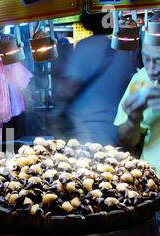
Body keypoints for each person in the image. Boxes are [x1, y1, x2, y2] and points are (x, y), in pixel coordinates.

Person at [52, 12, 141, 146]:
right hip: (119, 127)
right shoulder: (123, 49)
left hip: (90, 129)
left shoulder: (86, 45)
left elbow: (69, 88)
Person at [114, 32, 160, 196]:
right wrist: (132, 120)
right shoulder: (141, 79)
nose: (151, 71)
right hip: (153, 190)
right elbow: (125, 144)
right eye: (146, 59)